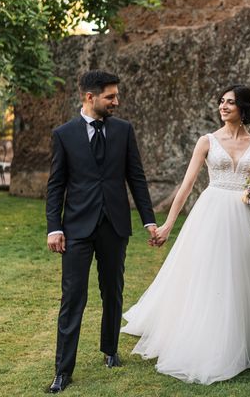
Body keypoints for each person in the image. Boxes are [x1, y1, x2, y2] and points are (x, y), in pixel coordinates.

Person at [121, 84, 250, 385]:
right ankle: (210, 338)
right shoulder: (206, 141)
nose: (223, 107)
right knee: (211, 274)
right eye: (221, 102)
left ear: (244, 108)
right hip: (211, 213)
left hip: (245, 215)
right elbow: (187, 186)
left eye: (230, 103)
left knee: (243, 274)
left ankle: (245, 335)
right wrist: (167, 226)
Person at [45, 70, 157, 393]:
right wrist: (54, 227)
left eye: (116, 95)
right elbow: (56, 187)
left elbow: (136, 177)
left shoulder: (123, 131)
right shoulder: (64, 134)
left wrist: (148, 219)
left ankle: (110, 350)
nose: (116, 101)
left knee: (113, 290)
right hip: (77, 227)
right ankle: (63, 371)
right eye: (110, 96)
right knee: (73, 297)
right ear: (90, 97)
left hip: (114, 225)